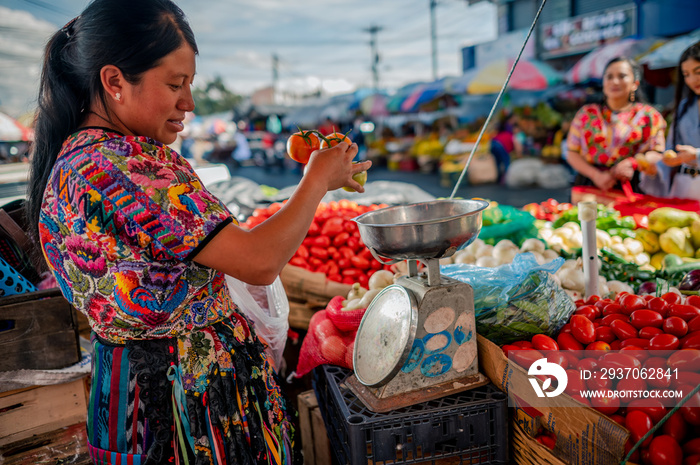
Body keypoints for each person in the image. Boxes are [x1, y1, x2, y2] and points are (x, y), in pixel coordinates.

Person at [24, 1, 370, 463]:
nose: (188, 102)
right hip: (187, 398)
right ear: (114, 82)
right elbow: (258, 262)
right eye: (174, 84)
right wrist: (316, 180)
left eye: (189, 84)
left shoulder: (73, 158)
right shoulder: (131, 165)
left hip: (128, 391)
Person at [565, 57, 666, 193]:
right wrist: (596, 175)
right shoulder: (586, 114)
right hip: (590, 184)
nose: (615, 81)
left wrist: (633, 163)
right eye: (609, 77)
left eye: (622, 76)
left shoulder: (649, 116)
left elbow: (658, 153)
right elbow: (572, 152)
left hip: (632, 186)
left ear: (635, 83)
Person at [640, 41, 700, 199]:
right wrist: (655, 166)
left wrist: (696, 155)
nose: (692, 79)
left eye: (697, 71)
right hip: (684, 188)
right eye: (686, 74)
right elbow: (670, 151)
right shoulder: (684, 107)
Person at [490, 113, 522, 183]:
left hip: (493, 143)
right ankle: (508, 178)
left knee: (497, 162)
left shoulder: (504, 132)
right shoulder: (512, 136)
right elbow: (518, 148)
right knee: (506, 161)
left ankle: (498, 178)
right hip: (500, 145)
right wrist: (519, 155)